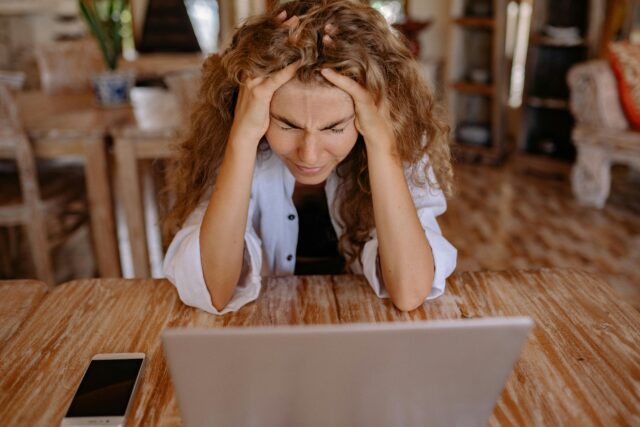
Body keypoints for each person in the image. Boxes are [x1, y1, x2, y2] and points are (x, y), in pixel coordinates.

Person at [162, 0, 456, 315]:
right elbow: (214, 290)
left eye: (334, 127)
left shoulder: (398, 138)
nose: (309, 154)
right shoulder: (231, 137)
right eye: (287, 124)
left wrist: (382, 145)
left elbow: (410, 291)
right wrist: (242, 137)